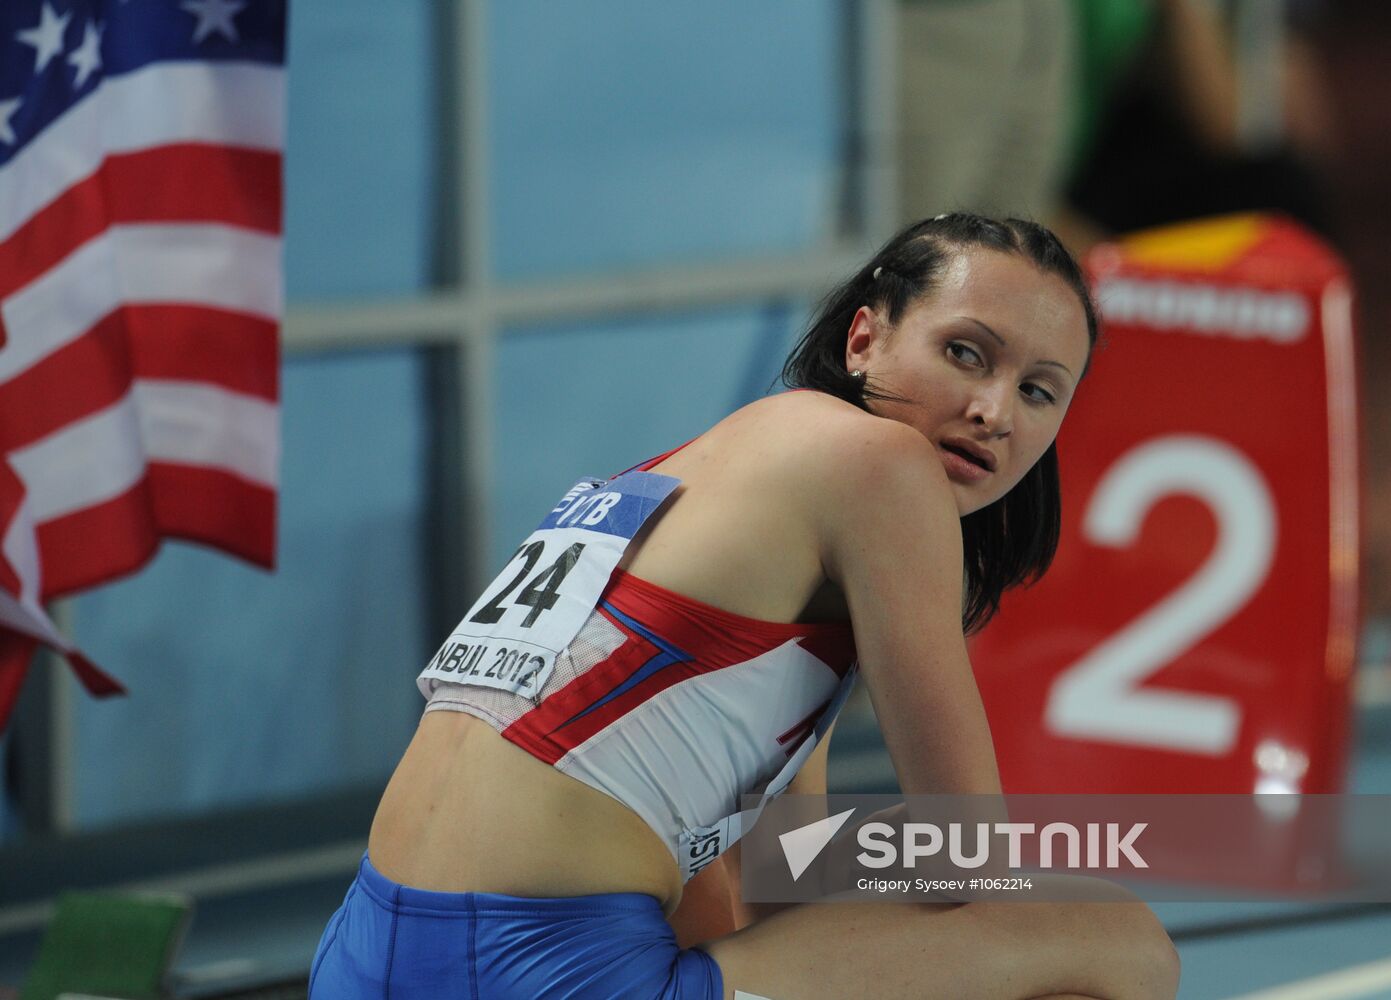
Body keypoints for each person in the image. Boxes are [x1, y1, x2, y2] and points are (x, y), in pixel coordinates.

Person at [308, 214, 1180, 1000]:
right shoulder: (880, 468)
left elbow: (756, 870)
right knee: (1113, 940)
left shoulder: (713, 468)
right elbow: (967, 859)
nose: (992, 411)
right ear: (864, 339)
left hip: (356, 955)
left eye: (1037, 391)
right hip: (540, 967)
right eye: (965, 353)